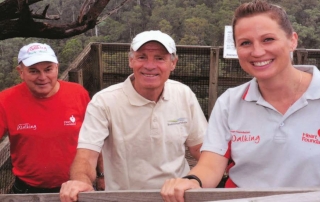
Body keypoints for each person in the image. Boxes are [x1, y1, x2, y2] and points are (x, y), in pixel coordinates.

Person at [161, 0, 320, 201]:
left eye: (268, 39)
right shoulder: (229, 102)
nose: (257, 51)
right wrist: (192, 180)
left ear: (292, 40)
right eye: (245, 43)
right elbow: (211, 165)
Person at [59, 30, 207, 201]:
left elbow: (199, 147)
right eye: (142, 57)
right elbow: (86, 155)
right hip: (125, 198)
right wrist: (80, 181)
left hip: (177, 197)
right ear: (131, 60)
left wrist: (199, 179)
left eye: (160, 58)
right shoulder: (104, 102)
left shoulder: (183, 94)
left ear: (173, 63)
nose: (150, 65)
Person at [0, 43, 90, 193]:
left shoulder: (78, 94)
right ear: (21, 72)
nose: (42, 77)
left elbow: (94, 138)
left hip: (74, 188)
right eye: (33, 71)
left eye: (48, 69)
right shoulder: (5, 101)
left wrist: (101, 175)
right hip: (27, 191)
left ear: (57, 67)